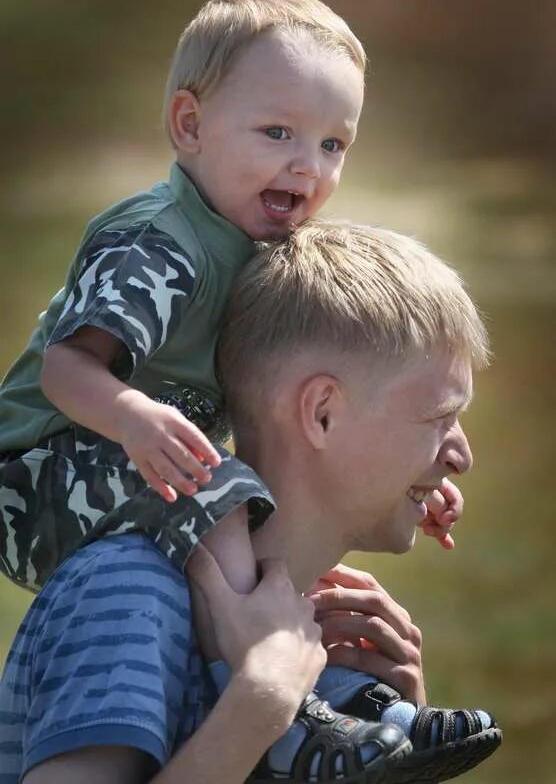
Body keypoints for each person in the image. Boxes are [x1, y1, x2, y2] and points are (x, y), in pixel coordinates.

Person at [0, 0, 470, 782]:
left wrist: (413, 471)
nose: (307, 166)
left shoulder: (252, 242)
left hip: (122, 464)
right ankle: (296, 719)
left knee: (252, 538)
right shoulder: (160, 246)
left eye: (333, 145)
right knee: (222, 489)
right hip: (43, 469)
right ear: (190, 125)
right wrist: (260, 700)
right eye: (278, 131)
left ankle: (362, 716)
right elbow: (65, 367)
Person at [0, 221, 502, 783]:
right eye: (439, 418)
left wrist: (393, 741)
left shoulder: (317, 633)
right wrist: (263, 702)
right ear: (322, 413)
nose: (462, 456)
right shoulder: (130, 587)